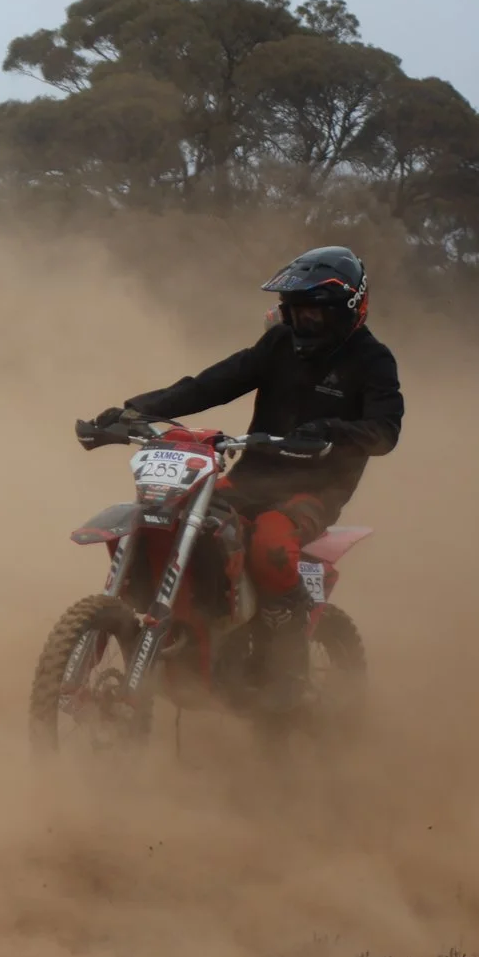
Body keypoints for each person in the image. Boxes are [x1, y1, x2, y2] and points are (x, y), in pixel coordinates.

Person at [95, 245, 403, 704]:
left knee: (270, 548)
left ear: (348, 310)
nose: (302, 323)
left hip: (315, 488)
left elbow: (385, 430)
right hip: (253, 477)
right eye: (294, 312)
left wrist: (331, 431)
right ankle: (191, 626)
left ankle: (286, 669)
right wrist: (137, 409)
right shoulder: (278, 344)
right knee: (176, 517)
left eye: (313, 315)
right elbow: (211, 383)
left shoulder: (373, 360)